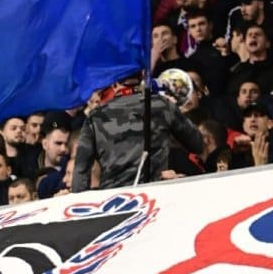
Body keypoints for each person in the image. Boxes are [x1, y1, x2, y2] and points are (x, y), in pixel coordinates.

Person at [72, 72, 204, 191]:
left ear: (114, 82)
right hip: (154, 196)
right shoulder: (162, 105)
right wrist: (174, 111)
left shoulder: (95, 117)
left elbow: (80, 173)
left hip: (114, 199)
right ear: (142, 75)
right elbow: (197, 144)